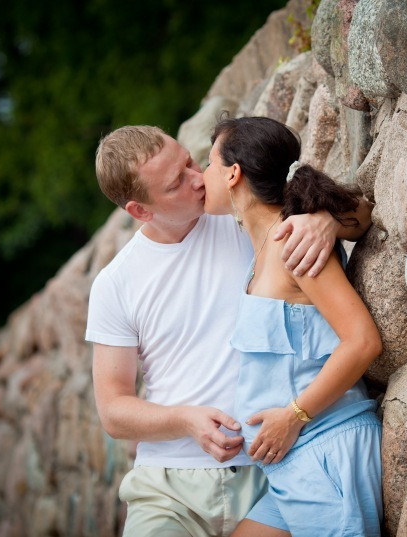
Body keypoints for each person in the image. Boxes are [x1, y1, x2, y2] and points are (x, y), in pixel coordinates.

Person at [86, 124, 373, 536]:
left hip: (272, 466)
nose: (197, 179)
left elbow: (358, 212)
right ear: (141, 210)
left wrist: (326, 221)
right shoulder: (115, 284)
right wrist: (186, 421)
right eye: (176, 183)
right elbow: (113, 410)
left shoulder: (241, 216)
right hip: (171, 486)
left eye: (189, 161)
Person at [202, 115, 383, 537]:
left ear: (233, 174)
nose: (201, 175)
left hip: (322, 448)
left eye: (208, 164)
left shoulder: (291, 246)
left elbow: (362, 341)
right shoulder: (267, 249)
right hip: (290, 462)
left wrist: (294, 416)